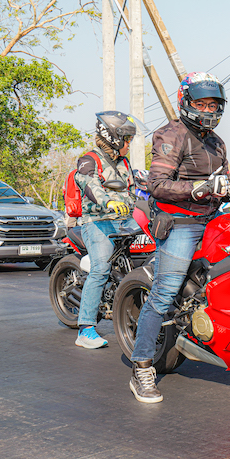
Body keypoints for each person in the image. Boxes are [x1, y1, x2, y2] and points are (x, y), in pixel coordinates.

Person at [128, 71, 230, 403]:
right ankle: (141, 367)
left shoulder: (216, 141)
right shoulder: (171, 135)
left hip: (213, 217)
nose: (208, 110)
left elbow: (222, 180)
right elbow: (157, 184)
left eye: (213, 104)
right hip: (180, 220)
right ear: (186, 103)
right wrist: (199, 188)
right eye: (201, 104)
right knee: (163, 295)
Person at [74, 111, 140, 349]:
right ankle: (86, 329)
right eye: (127, 139)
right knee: (101, 269)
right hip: (98, 222)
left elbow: (136, 189)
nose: (129, 144)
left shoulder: (125, 163)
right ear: (113, 137)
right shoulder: (89, 160)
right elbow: (88, 184)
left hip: (126, 221)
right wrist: (107, 201)